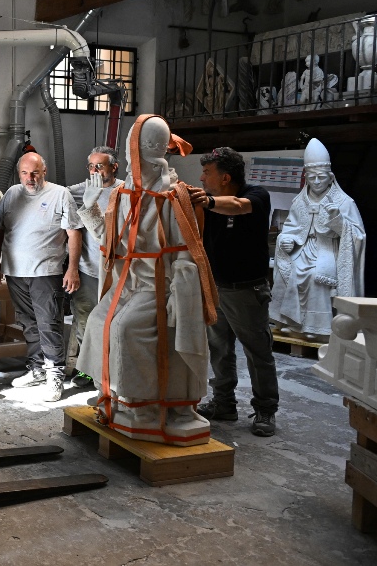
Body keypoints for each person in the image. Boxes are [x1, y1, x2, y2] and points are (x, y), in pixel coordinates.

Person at [77, 116, 216, 446]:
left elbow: (188, 252)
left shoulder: (174, 196)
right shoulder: (124, 194)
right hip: (129, 282)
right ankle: (114, 395)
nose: (130, 163)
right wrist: (90, 209)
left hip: (160, 286)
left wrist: (180, 296)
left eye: (134, 155)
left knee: (125, 329)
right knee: (97, 321)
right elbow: (113, 242)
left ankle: (145, 407)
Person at [187, 146, 280, 437]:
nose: (202, 178)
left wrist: (209, 201)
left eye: (207, 173)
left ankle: (265, 409)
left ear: (225, 178)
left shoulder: (256, 195)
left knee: (257, 351)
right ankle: (224, 402)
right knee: (219, 349)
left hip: (246, 291)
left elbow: (238, 206)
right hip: (216, 289)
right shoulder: (209, 204)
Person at [0, 152, 81, 402]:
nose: (29, 178)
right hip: (15, 272)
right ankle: (37, 369)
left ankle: (55, 376)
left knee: (48, 323)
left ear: (44, 172)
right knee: (28, 323)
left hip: (46, 272)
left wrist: (72, 268)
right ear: (19, 174)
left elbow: (74, 233)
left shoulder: (60, 194)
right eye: (24, 173)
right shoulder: (11, 194)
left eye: (35, 173)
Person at [270, 138, 365, 339]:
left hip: (329, 249)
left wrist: (337, 219)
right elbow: (291, 227)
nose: (317, 182)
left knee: (316, 275)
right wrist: (286, 239)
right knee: (290, 271)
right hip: (303, 248)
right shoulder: (299, 201)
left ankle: (318, 328)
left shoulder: (344, 202)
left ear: (331, 177)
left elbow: (357, 234)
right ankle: (292, 323)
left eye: (321, 177)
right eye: (312, 177)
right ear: (306, 177)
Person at [66, 146, 124, 389]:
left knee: (115, 321)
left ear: (114, 167)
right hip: (89, 268)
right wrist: (72, 268)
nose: (94, 171)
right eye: (91, 166)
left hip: (118, 271)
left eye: (99, 166)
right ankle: (88, 369)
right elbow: (71, 229)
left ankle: (111, 369)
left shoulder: (125, 191)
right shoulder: (78, 192)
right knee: (85, 320)